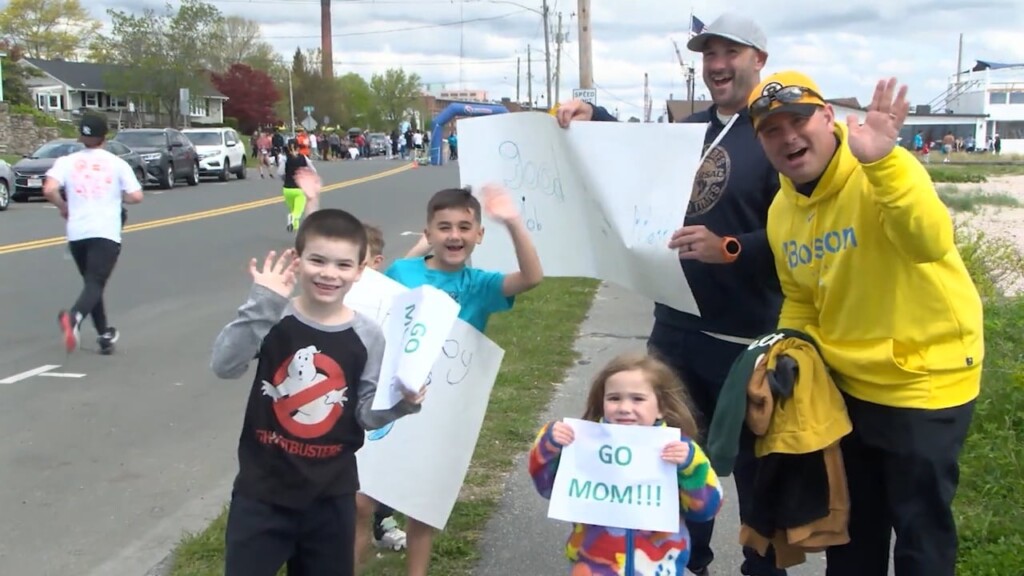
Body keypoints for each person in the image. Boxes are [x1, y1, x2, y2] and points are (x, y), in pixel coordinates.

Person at [554, 12, 785, 575]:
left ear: (759, 59)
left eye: (730, 53)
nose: (717, 66)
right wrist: (594, 117)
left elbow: (800, 235)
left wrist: (730, 247)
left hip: (748, 339)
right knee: (671, 463)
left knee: (761, 476)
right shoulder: (695, 128)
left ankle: (763, 569)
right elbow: (638, 154)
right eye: (709, 56)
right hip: (676, 329)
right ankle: (687, 566)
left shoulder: (779, 133)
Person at [748, 70, 983, 576]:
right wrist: (787, 351)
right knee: (853, 535)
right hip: (847, 388)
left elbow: (930, 243)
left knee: (920, 533)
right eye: (771, 129)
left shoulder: (879, 168)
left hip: (924, 380)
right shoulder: (781, 211)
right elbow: (800, 299)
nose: (788, 135)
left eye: (799, 119)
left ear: (827, 117)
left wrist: (884, 162)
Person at [210, 206, 427, 576]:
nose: (329, 273)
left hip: (331, 497)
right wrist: (262, 303)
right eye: (318, 261)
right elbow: (225, 365)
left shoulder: (368, 335)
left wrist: (402, 404)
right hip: (261, 494)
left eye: (343, 265)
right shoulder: (275, 318)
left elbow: (364, 414)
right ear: (299, 260)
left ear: (361, 270)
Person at [384, 184, 544, 576]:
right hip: (390, 403)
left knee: (423, 504)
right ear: (428, 233)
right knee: (361, 502)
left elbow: (531, 277)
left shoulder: (480, 285)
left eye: (464, 227)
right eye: (443, 227)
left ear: (478, 235)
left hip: (442, 409)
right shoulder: (402, 272)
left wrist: (512, 222)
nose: (454, 235)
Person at [528, 352, 724, 574]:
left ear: (660, 406)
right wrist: (549, 445)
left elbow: (707, 509)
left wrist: (690, 467)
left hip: (659, 568)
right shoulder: (583, 444)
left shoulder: (678, 450)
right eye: (614, 398)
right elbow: (547, 488)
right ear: (602, 403)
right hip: (594, 566)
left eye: (638, 399)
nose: (624, 407)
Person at [43, 113, 143, 355]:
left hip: (77, 233)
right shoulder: (116, 163)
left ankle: (104, 334)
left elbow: (49, 189)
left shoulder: (67, 161)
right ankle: (74, 317)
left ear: (81, 136)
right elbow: (136, 196)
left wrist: (64, 206)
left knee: (92, 283)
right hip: (105, 231)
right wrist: (118, 195)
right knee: (95, 282)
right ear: (104, 137)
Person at [353, 223, 410, 565]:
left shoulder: (388, 294)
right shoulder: (340, 294)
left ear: (375, 262)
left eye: (360, 261)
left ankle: (383, 518)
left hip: (380, 396)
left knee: (382, 457)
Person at [281, 141, 314, 232]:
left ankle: (297, 233)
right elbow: (313, 170)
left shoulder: (285, 159)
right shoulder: (304, 158)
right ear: (298, 148)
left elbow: (280, 172)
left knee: (293, 210)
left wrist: (285, 178)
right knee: (297, 212)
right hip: (300, 189)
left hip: (287, 189)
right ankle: (292, 218)